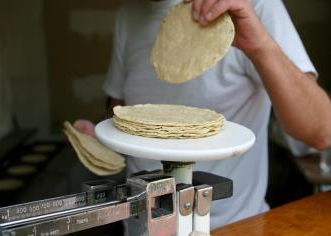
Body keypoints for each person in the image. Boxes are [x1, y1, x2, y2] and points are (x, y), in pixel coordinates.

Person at [74, 0, 331, 231]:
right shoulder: (130, 14)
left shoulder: (254, 6)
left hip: (234, 226)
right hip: (141, 225)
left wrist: (259, 45)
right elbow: (125, 113)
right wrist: (97, 139)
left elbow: (322, 131)